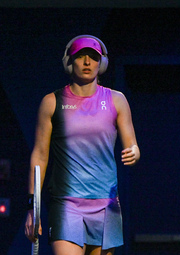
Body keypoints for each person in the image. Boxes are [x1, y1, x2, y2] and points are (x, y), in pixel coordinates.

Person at [25, 35, 140, 255]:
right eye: (81, 56)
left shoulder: (117, 100)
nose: (87, 62)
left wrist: (134, 153)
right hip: (66, 204)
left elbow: (133, 145)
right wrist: (33, 207)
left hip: (106, 204)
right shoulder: (52, 102)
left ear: (102, 63)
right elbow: (39, 156)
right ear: (69, 61)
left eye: (93, 57)